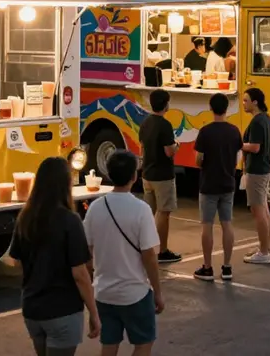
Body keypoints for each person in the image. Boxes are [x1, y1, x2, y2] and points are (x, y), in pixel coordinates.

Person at [10, 157, 100, 355]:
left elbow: (16, 260)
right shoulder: (70, 220)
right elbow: (80, 274)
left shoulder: (26, 217)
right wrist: (94, 312)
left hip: (32, 309)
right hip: (63, 310)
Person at [83, 150, 164, 356]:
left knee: (109, 344)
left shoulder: (95, 208)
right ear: (134, 176)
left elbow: (87, 256)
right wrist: (157, 292)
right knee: (144, 343)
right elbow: (149, 256)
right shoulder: (141, 209)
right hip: (135, 292)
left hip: (103, 292)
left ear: (109, 174)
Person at [192, 92, 243, 282]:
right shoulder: (234, 131)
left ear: (210, 108)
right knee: (227, 223)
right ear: (227, 108)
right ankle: (227, 267)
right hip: (228, 183)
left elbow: (199, 159)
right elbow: (238, 156)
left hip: (208, 184)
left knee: (207, 225)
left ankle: (207, 267)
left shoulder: (205, 132)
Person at [138, 89, 181, 263]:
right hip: (163, 176)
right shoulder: (165, 125)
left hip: (147, 174)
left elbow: (142, 147)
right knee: (163, 213)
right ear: (165, 104)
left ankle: (146, 248)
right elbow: (169, 151)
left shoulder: (145, 123)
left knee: (150, 213)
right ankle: (161, 250)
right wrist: (176, 145)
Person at [241, 87, 270, 265]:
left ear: (255, 102)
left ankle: (263, 252)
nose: (243, 103)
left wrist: (239, 144)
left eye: (246, 100)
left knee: (258, 210)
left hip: (256, 169)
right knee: (264, 209)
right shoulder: (268, 120)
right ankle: (265, 246)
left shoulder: (257, 122)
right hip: (265, 167)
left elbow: (255, 147)